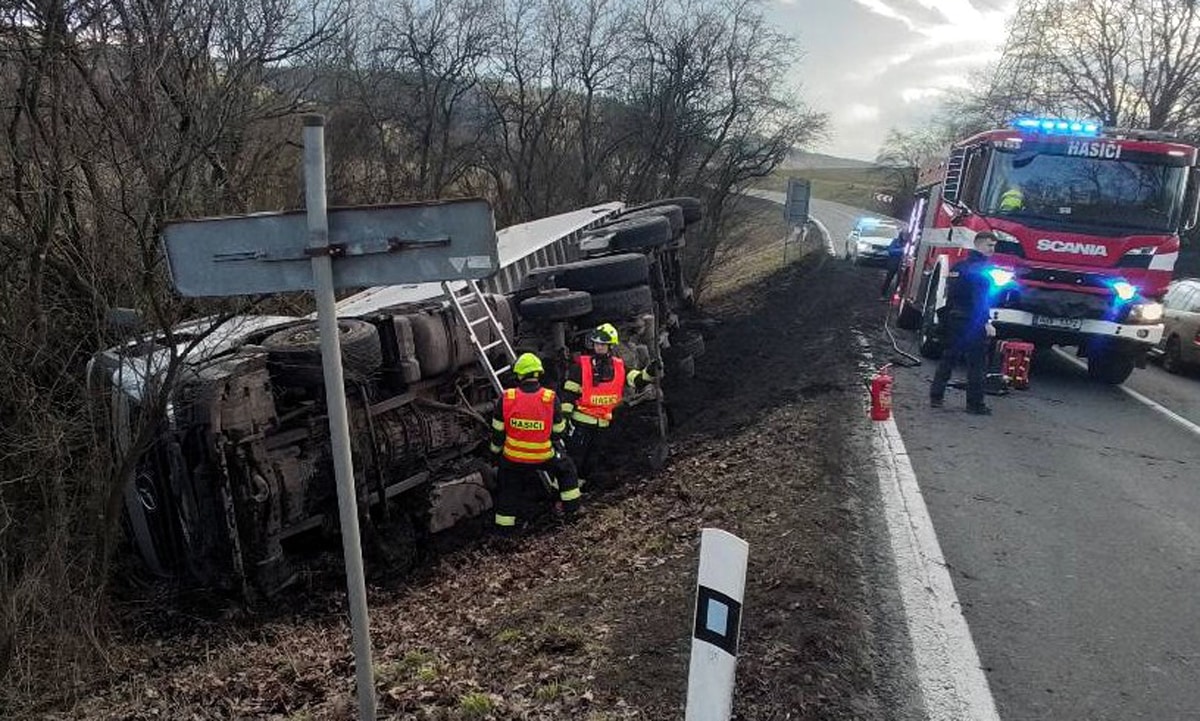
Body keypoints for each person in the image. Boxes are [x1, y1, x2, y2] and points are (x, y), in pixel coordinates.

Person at [489, 352, 580, 533]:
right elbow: (558, 432)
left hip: (513, 458)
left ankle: (504, 532)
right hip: (544, 456)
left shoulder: (507, 398)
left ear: (519, 375)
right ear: (538, 374)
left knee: (507, 488)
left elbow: (497, 435)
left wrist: (494, 454)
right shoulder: (550, 398)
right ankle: (572, 514)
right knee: (567, 469)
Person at [560, 323, 661, 483]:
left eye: (602, 344)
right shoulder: (580, 366)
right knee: (574, 459)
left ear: (610, 346)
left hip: (603, 425)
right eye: (596, 343)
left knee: (591, 461)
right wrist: (564, 419)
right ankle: (559, 493)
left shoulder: (619, 367)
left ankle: (578, 489)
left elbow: (637, 380)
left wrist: (650, 370)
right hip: (581, 424)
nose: (599, 347)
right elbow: (569, 395)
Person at [930, 231, 999, 415]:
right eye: (989, 246)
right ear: (978, 245)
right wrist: (987, 323)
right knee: (977, 364)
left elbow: (950, 295)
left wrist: (945, 319)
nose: (992, 250)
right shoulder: (982, 270)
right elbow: (980, 300)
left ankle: (936, 396)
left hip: (954, 318)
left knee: (948, 358)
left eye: (994, 246)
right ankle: (975, 404)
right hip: (972, 322)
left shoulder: (959, 267)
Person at [880, 230, 907, 301]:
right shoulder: (896, 241)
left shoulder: (908, 243)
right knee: (888, 279)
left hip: (902, 265)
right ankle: (883, 294)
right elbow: (890, 250)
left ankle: (895, 296)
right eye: (904, 235)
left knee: (899, 281)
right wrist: (901, 250)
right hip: (894, 263)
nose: (905, 237)